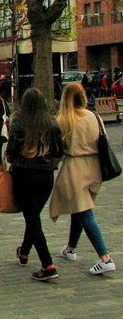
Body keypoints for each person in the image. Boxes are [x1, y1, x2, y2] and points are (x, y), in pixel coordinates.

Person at [49, 82, 116, 276]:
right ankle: (70, 248)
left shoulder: (64, 119)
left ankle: (105, 257)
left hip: (75, 166)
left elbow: (58, 149)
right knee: (79, 208)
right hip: (95, 166)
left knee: (84, 211)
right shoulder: (94, 116)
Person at [7, 88, 64, 281]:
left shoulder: (19, 122)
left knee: (32, 219)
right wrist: (50, 164)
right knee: (33, 217)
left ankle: (48, 265)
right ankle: (24, 252)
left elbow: (12, 150)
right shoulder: (51, 122)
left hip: (25, 174)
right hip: (46, 176)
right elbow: (59, 151)